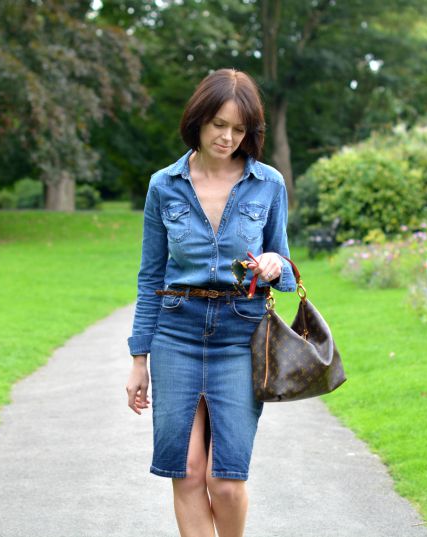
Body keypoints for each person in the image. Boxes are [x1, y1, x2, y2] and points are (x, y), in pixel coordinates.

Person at [125, 68, 296, 537]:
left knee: (225, 479)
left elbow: (284, 265)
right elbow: (150, 276)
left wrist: (273, 264)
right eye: (219, 124)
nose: (228, 137)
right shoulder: (165, 185)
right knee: (187, 470)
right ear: (199, 119)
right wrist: (139, 358)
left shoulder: (268, 184)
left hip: (241, 335)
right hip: (176, 331)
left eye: (239, 129)